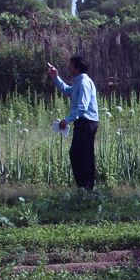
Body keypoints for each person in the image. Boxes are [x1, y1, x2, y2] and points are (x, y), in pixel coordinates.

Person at [47, 56, 99, 191]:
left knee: (83, 155)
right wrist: (55, 77)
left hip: (87, 122)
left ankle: (86, 188)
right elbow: (67, 90)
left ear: (77, 67)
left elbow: (82, 107)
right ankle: (83, 187)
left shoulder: (84, 83)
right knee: (77, 153)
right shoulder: (78, 82)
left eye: (70, 65)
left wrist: (67, 120)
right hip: (82, 122)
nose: (68, 67)